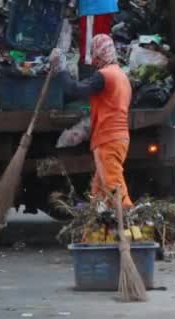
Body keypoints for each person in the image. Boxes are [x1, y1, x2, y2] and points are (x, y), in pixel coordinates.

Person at [49, 34, 133, 208]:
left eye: (95, 53)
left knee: (112, 185)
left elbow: (74, 90)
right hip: (119, 138)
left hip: (108, 138)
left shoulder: (104, 75)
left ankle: (128, 223)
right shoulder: (121, 76)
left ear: (99, 53)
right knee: (99, 189)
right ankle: (96, 228)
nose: (93, 59)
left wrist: (61, 69)